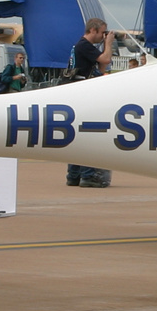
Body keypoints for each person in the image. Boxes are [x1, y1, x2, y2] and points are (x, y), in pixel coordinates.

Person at [64, 18, 113, 188]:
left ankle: (74, 174)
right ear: (93, 30)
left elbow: (100, 68)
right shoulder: (84, 45)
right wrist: (109, 44)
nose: (102, 37)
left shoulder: (82, 46)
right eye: (101, 33)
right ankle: (88, 174)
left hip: (76, 92)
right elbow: (105, 60)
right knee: (88, 133)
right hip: (82, 95)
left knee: (78, 136)